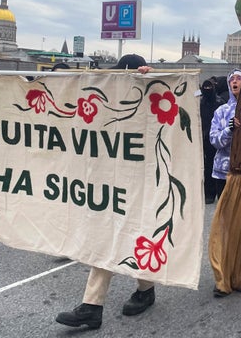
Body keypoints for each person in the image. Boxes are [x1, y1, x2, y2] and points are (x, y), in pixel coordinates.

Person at [56, 54, 156, 329]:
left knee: (134, 235)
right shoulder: (107, 103)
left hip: (139, 182)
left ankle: (144, 289)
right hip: (111, 181)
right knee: (107, 238)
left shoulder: (149, 96)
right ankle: (93, 305)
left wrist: (151, 77)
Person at [209, 69, 241, 200]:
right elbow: (214, 140)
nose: (234, 81)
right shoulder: (221, 111)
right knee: (224, 213)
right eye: (231, 79)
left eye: (239, 78)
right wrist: (229, 130)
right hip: (223, 171)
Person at [200, 79, 224, 204]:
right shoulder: (200, 102)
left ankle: (214, 192)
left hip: (216, 139)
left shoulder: (219, 103)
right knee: (207, 166)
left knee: (216, 166)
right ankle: (208, 192)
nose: (207, 90)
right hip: (203, 138)